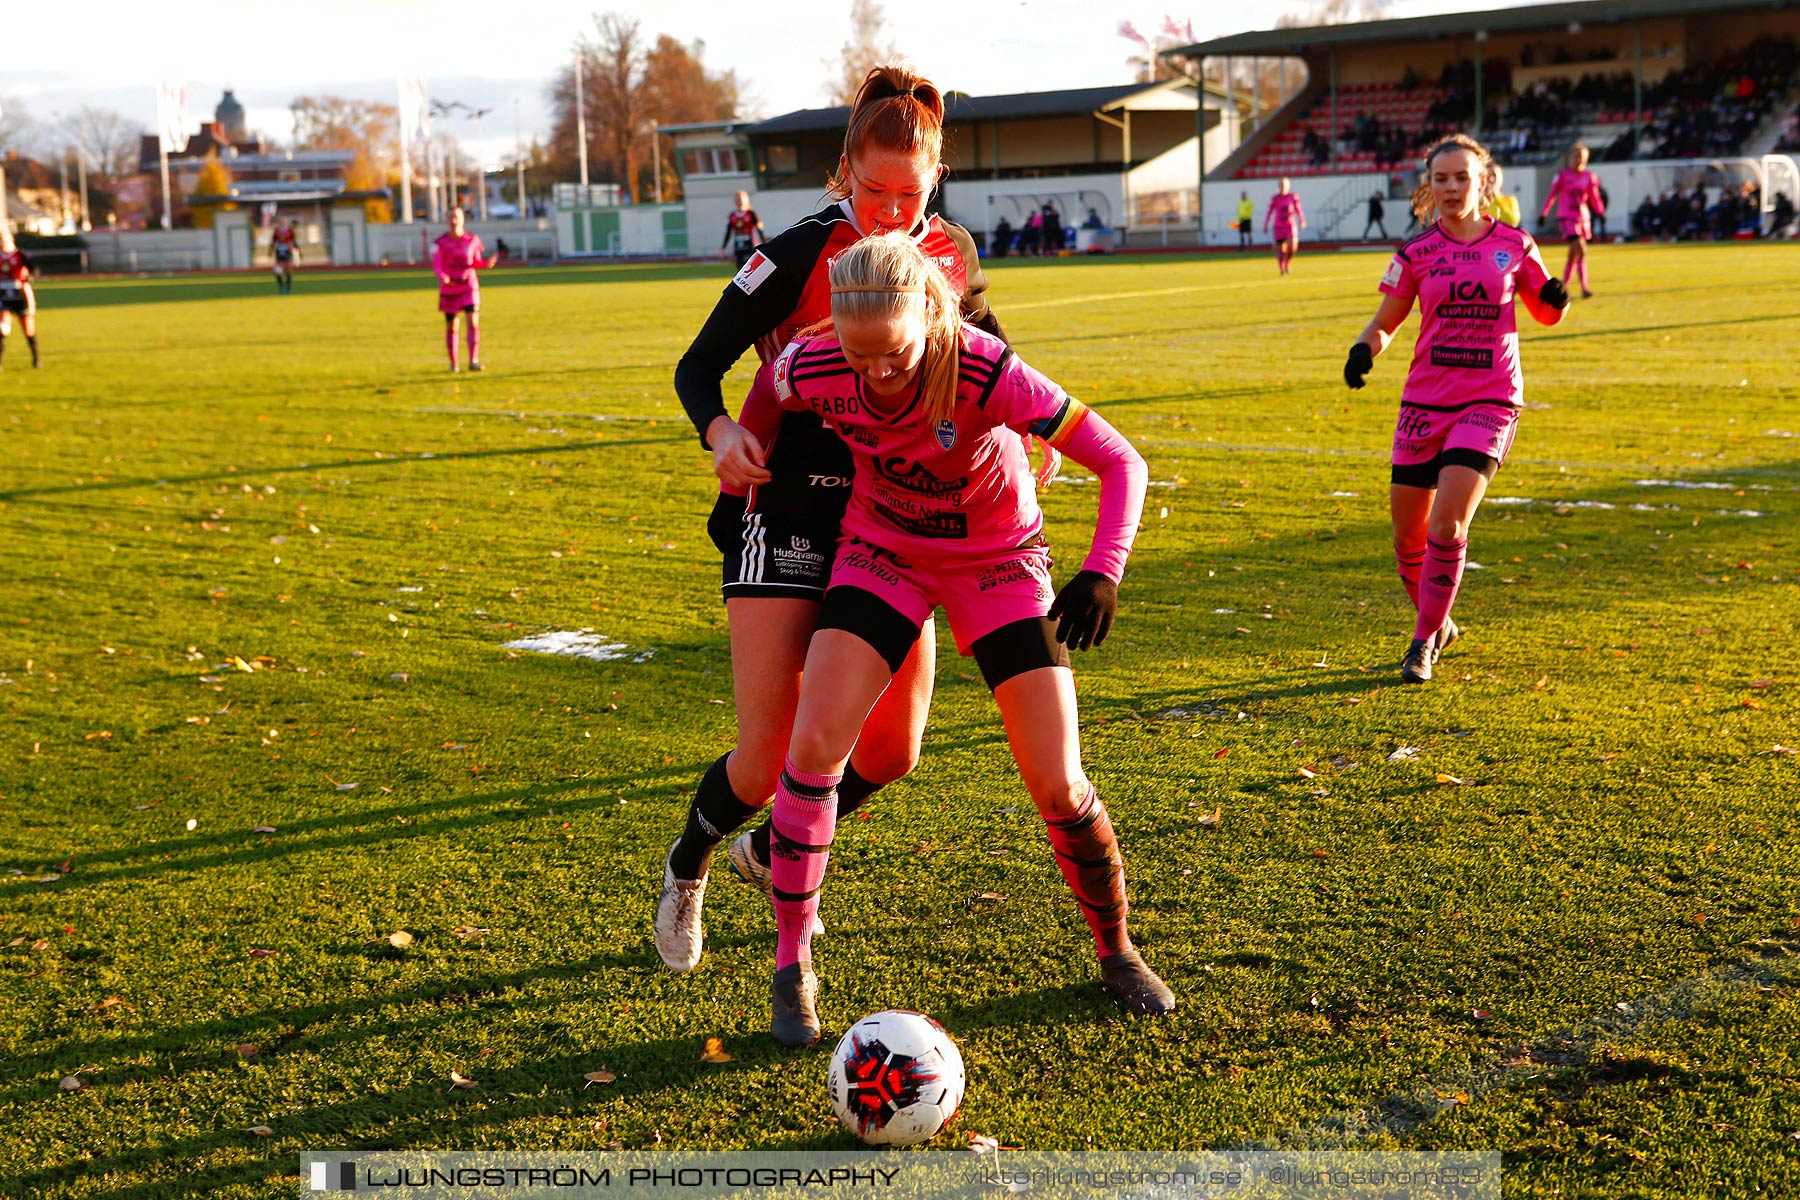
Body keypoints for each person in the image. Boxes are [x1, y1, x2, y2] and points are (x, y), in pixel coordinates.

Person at [660, 66, 1055, 975]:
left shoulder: (949, 251)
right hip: (789, 507)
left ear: (938, 180)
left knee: (895, 748)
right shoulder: (797, 252)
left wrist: (1042, 432)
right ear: (844, 171)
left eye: (911, 195)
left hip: (897, 522)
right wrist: (720, 431)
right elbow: (698, 365)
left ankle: (776, 854)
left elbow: (995, 352)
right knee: (765, 760)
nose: (891, 213)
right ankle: (692, 862)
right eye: (873, 191)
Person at [742, 231, 1171, 1043]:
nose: (875, 374)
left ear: (932, 319)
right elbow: (768, 390)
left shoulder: (985, 368)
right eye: (859, 356)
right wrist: (750, 454)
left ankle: (1117, 953)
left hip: (998, 563)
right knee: (815, 746)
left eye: (893, 355)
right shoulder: (817, 360)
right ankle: (792, 966)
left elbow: (1121, 460)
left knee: (1058, 781)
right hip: (883, 553)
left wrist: (1103, 569)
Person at [1342, 133, 1569, 684]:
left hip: (1490, 399)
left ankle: (1422, 642)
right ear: (1429, 186)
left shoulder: (1515, 244)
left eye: (1461, 177)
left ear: (1483, 182)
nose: (1450, 187)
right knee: (1408, 537)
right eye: (1440, 178)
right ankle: (1438, 619)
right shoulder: (1415, 253)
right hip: (1425, 400)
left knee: (1448, 523)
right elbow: (1387, 321)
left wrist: (1554, 297)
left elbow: (1543, 312)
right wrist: (1363, 350)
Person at [433, 206, 497, 373]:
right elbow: (437, 265)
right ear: (446, 220)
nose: (453, 220)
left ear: (463, 219)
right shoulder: (440, 243)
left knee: (472, 320)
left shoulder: (472, 240)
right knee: (452, 325)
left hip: (469, 286)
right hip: (450, 289)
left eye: (456, 216)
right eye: (450, 217)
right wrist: (443, 277)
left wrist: (486, 264)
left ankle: (473, 361)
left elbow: (476, 262)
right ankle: (454, 364)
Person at [1539, 144, 1604, 299]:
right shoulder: (1563, 175)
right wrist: (1544, 214)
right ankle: (1585, 289)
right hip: (1567, 217)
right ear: (1570, 158)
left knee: (1573, 255)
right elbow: (1552, 195)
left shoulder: (1589, 176)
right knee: (1581, 249)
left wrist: (1600, 212)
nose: (1578, 159)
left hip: (1583, 218)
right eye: (1576, 156)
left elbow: (1594, 197)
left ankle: (1564, 287)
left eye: (1581, 156)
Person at [0, 227, 40, 370]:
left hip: (21, 296)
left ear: (12, 240)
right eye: (1, 241)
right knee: (2, 329)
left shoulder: (20, 255)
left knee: (28, 331)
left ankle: (36, 359)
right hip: (4, 298)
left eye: (4, 240)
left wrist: (29, 276)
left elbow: (35, 270)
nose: (3, 243)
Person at [1264, 178, 1305, 275]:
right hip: (1278, 226)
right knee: (1281, 249)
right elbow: (1270, 212)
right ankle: (1282, 268)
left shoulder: (1293, 197)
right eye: (1281, 185)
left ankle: (1287, 263)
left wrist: (1302, 220)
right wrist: (1266, 224)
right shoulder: (1275, 198)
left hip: (1290, 225)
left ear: (1288, 186)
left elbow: (1298, 210)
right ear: (1278, 187)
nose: (1283, 187)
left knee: (1293, 246)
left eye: (1284, 185)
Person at [722, 190, 765, 269]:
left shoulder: (751, 214)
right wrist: (723, 247)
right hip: (738, 246)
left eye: (741, 200)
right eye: (737, 200)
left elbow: (760, 230)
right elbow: (728, 232)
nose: (739, 202)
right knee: (739, 269)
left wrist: (765, 244)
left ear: (746, 201)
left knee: (747, 267)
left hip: (750, 246)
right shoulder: (732, 215)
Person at [1481, 163, 1521, 227]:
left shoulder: (1510, 200)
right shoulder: (1479, 203)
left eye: (1494, 175)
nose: (1491, 179)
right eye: (1487, 176)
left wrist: (1495, 195)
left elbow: (1512, 220)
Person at [270, 218, 298, 295]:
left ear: (286, 223)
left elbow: (294, 241)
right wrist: (270, 251)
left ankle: (288, 288)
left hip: (287, 251)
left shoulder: (290, 230)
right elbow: (273, 241)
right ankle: (281, 287)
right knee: (277, 270)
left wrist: (298, 250)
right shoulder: (276, 231)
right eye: (281, 222)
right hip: (279, 252)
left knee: (288, 270)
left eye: (284, 222)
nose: (282, 223)